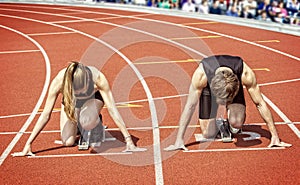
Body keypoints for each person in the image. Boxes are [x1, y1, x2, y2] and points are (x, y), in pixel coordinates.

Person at [13, 61, 146, 156]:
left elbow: (112, 109)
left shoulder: (98, 78)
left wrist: (129, 141)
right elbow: (45, 114)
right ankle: (80, 128)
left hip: (93, 99)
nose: (80, 93)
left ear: (88, 82)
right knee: (68, 142)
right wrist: (28, 143)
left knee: (87, 120)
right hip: (72, 102)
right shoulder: (58, 82)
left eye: (82, 90)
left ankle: (95, 123)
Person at [164, 55, 292, 151]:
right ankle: (217, 122)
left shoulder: (245, 74)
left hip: (231, 87)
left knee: (236, 123)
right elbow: (190, 106)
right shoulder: (201, 76)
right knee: (208, 134)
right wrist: (179, 140)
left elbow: (260, 103)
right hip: (210, 88)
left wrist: (275, 136)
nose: (223, 104)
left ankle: (231, 121)